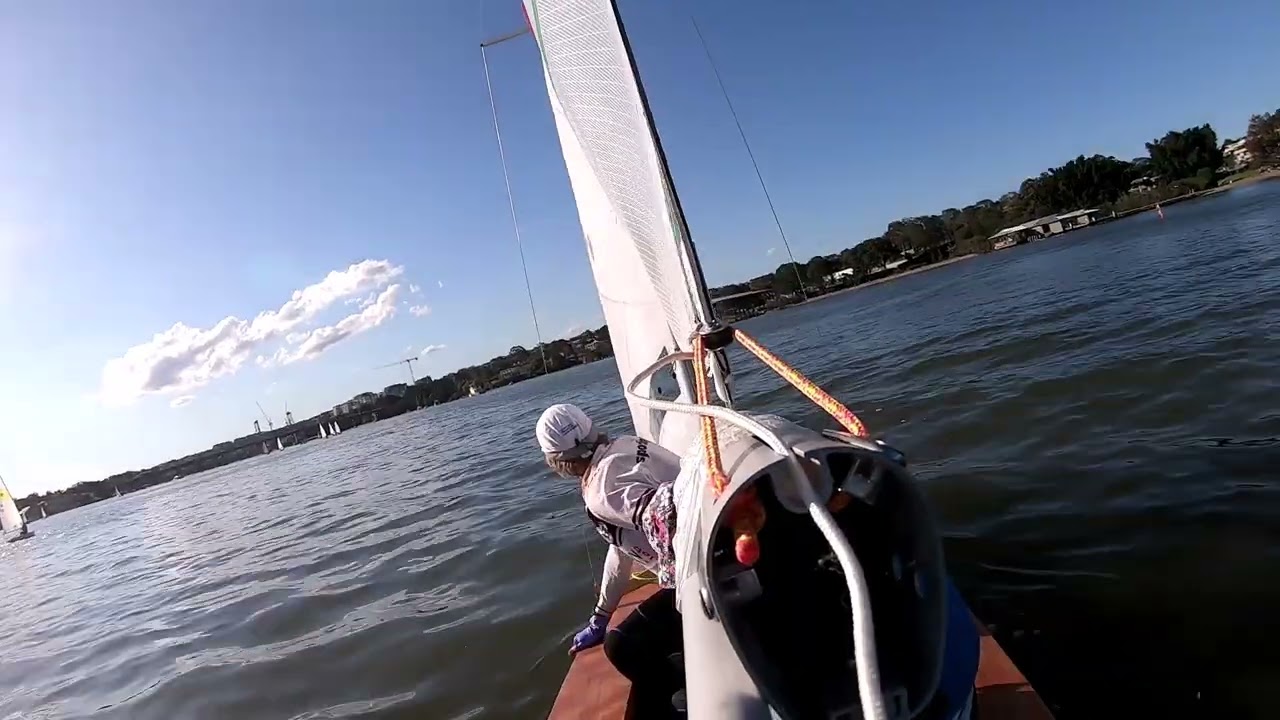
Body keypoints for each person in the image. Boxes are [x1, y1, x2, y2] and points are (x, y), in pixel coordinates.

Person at [536, 403, 686, 713]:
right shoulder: (626, 444)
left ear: (556, 459)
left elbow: (668, 516)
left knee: (622, 645)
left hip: (709, 574)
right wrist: (601, 615)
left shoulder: (600, 491)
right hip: (719, 551)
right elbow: (621, 548)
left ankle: (689, 700)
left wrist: (674, 579)